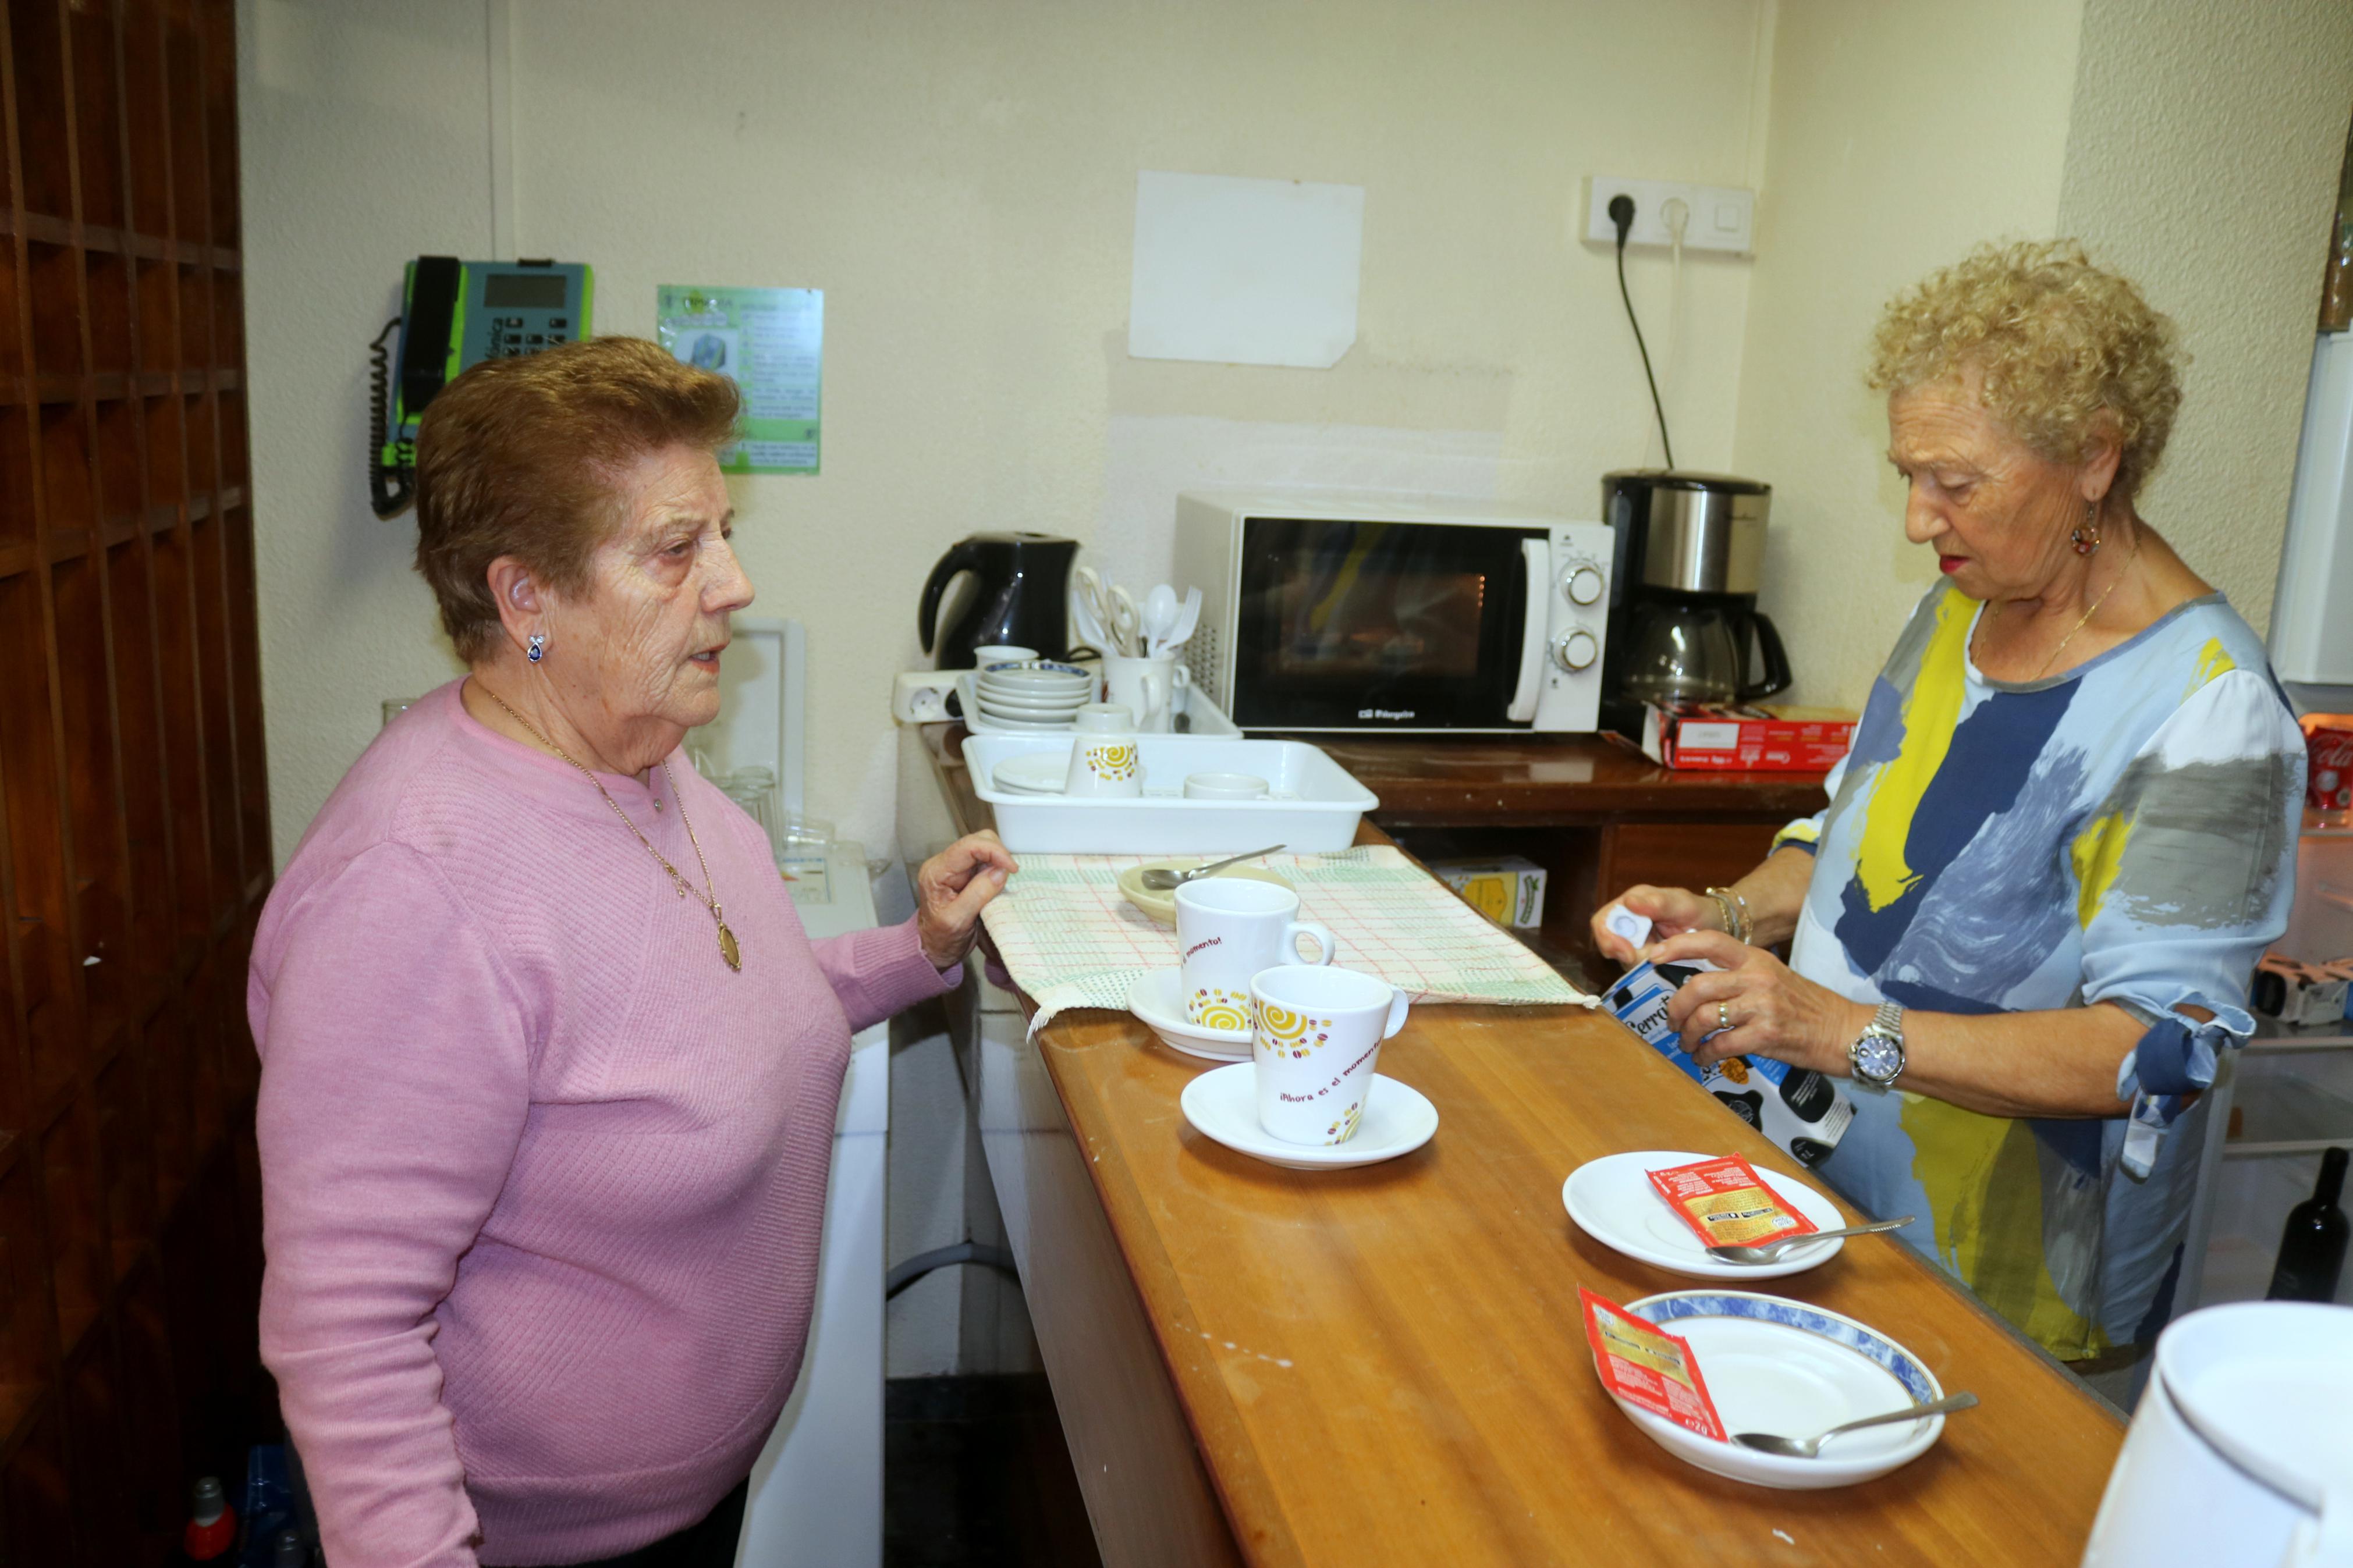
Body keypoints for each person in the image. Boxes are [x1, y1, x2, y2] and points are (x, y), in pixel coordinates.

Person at [249, 337, 1017, 1567]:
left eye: (721, 532)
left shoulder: (654, 768)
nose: (735, 581)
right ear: (526, 600)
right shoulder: (415, 887)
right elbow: (346, 1330)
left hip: (683, 1507)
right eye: (678, 548)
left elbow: (711, 1026)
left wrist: (913, 950)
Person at [1592, 240, 2305, 1392]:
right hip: (1819, 1186)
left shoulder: (2210, 709)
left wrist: (1835, 1028)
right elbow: (1852, 833)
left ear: (2094, 458)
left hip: (2000, 1263)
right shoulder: (1965, 604)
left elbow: (2155, 1049)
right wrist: (1726, 909)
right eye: (1909, 474)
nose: (1921, 518)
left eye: (1956, 482)